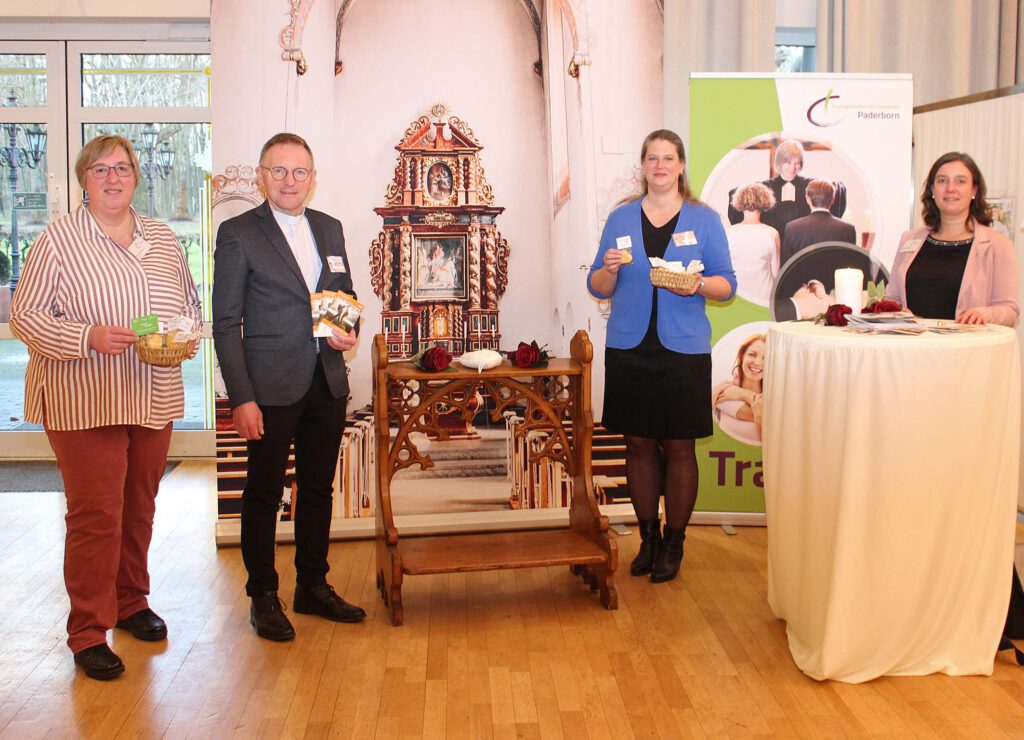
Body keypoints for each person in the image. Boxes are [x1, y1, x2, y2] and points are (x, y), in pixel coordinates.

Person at [9, 134, 202, 680]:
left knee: (139, 505)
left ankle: (131, 601)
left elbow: (188, 303)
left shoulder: (162, 238)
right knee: (96, 515)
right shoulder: (58, 241)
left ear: (137, 176)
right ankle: (88, 631)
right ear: (84, 181)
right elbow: (25, 317)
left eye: (122, 168)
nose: (113, 178)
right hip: (84, 395)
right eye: (100, 170)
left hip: (151, 388)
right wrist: (88, 335)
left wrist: (184, 334)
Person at [212, 132, 366, 642]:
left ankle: (312, 586)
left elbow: (342, 294)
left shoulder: (330, 228)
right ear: (261, 176)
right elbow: (224, 322)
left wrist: (349, 331)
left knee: (318, 489)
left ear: (312, 178)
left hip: (326, 380)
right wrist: (243, 397)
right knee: (262, 494)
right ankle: (263, 595)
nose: (288, 180)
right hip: (269, 388)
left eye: (299, 171)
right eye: (277, 171)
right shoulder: (239, 233)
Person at [588, 129, 736, 584]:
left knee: (678, 445)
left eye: (667, 158)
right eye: (652, 158)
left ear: (681, 165)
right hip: (630, 344)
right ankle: (647, 537)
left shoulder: (705, 220)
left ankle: (674, 542)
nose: (659, 166)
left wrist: (699, 285)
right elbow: (597, 285)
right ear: (643, 165)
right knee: (637, 444)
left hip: (683, 348)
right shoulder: (620, 218)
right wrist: (608, 269)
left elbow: (727, 285)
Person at [885, 151, 1019, 326]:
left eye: (960, 181)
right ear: (932, 190)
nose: (950, 188)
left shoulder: (998, 245)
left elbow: (1009, 310)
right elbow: (891, 299)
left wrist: (984, 314)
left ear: (974, 191)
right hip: (912, 348)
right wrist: (896, 312)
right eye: (942, 180)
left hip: (965, 350)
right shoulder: (908, 239)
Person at [727, 139, 847, 242]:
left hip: (801, 244)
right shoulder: (765, 187)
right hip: (773, 243)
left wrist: (835, 186)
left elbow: (833, 195)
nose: (793, 168)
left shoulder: (810, 185)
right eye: (788, 162)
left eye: (797, 163)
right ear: (779, 162)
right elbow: (738, 197)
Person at [780, 179, 857, 265]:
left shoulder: (792, 228)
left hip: (802, 278)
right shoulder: (847, 229)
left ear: (807, 199)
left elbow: (786, 268)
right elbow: (851, 265)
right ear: (833, 199)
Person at [726, 183, 779, 306]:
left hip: (738, 294)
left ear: (739, 202)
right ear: (764, 201)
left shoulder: (729, 233)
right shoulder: (771, 233)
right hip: (764, 296)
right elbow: (776, 272)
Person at [712, 334, 765, 444]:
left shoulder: (779, 395)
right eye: (752, 355)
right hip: (726, 458)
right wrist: (747, 395)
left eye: (766, 357)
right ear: (742, 356)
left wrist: (742, 393)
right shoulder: (725, 392)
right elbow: (774, 419)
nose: (758, 362)